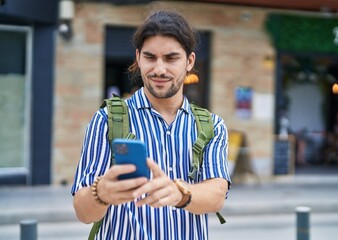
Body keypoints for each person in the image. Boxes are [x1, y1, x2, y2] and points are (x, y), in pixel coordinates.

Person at [71, 8, 231, 240]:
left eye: (171, 58)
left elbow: (217, 196)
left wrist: (179, 193)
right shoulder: (107, 119)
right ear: (138, 58)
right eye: (150, 57)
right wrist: (100, 193)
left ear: (189, 61)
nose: (159, 69)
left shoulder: (212, 126)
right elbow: (83, 211)